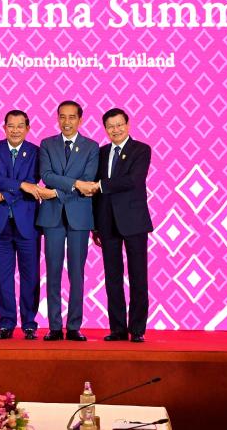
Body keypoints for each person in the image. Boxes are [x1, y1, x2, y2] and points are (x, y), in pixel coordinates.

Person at [89, 108, 153, 343]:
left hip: (134, 222)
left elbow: (133, 180)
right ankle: (117, 328)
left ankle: (137, 329)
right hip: (106, 223)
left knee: (138, 276)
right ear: (105, 129)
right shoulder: (101, 152)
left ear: (128, 125)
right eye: (110, 126)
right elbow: (96, 195)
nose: (115, 130)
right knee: (112, 277)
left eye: (119, 125)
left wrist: (100, 185)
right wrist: (94, 225)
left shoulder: (141, 150)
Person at [37, 100, 99, 342]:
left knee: (76, 273)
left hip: (79, 216)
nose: (66, 122)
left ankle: (74, 326)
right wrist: (72, 185)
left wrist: (57, 191)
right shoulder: (47, 144)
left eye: (72, 117)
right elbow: (46, 175)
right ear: (57, 118)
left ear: (80, 120)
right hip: (52, 216)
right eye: (62, 117)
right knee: (52, 272)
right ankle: (54, 326)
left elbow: (88, 180)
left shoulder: (91, 147)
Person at [0, 110, 42, 340]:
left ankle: (29, 323)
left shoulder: (36, 152)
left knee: (31, 276)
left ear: (27, 128)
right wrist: (22, 187)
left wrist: (3, 196)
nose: (15, 130)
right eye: (11, 126)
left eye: (20, 126)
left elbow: (33, 183)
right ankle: (6, 322)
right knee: (2, 277)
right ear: (4, 127)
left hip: (27, 223)